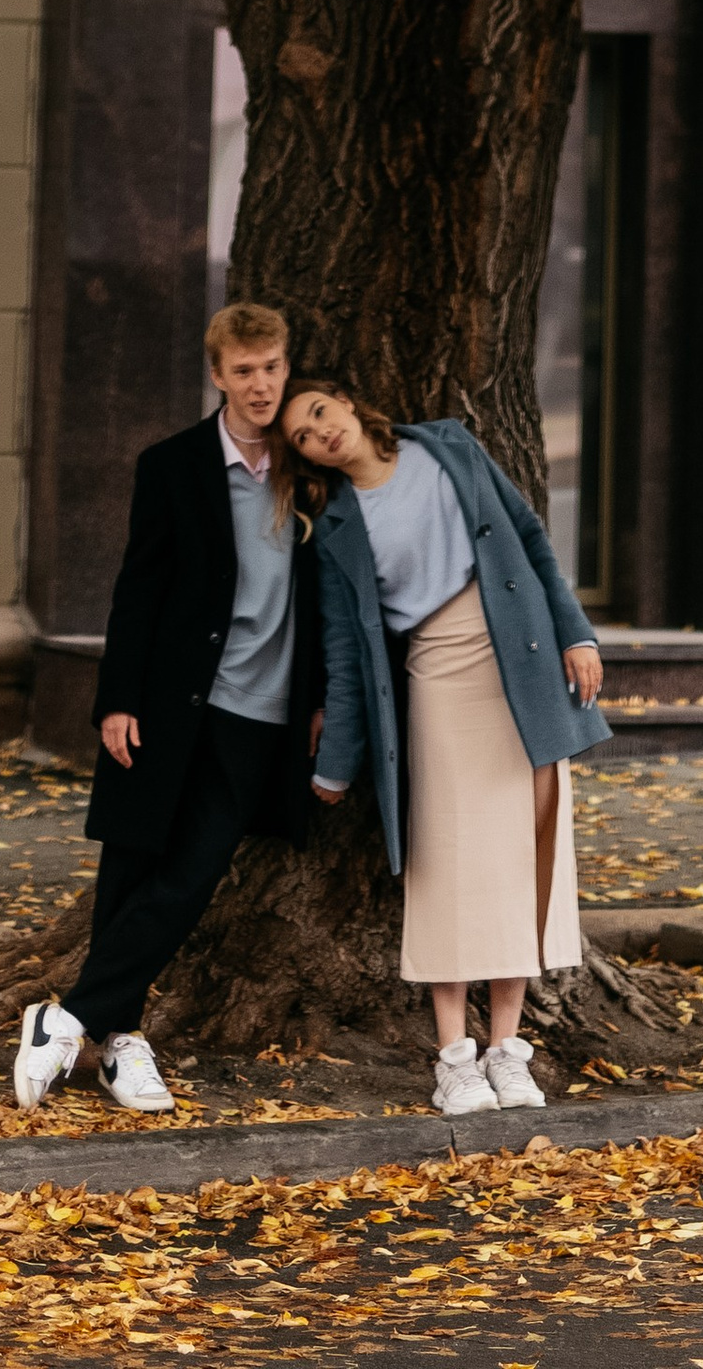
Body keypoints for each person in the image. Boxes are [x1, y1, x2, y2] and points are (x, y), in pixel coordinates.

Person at [13, 301, 321, 1114]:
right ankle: (122, 1042)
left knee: (192, 876)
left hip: (264, 715)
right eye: (245, 371)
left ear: (288, 368)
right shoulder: (174, 464)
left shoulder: (309, 465)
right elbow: (138, 590)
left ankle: (64, 1017)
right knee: (133, 864)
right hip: (171, 705)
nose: (261, 386)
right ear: (218, 376)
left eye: (273, 368)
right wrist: (115, 701)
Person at [284, 373, 606, 1116]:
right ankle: (454, 1059)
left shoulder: (448, 446)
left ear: (349, 403)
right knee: (449, 865)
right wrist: (335, 766)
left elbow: (528, 535)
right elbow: (345, 653)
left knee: (525, 857)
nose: (321, 432)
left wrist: (576, 633)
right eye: (303, 435)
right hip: (438, 677)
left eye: (321, 412)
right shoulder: (335, 525)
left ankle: (508, 1052)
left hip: (521, 664)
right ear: (309, 460)